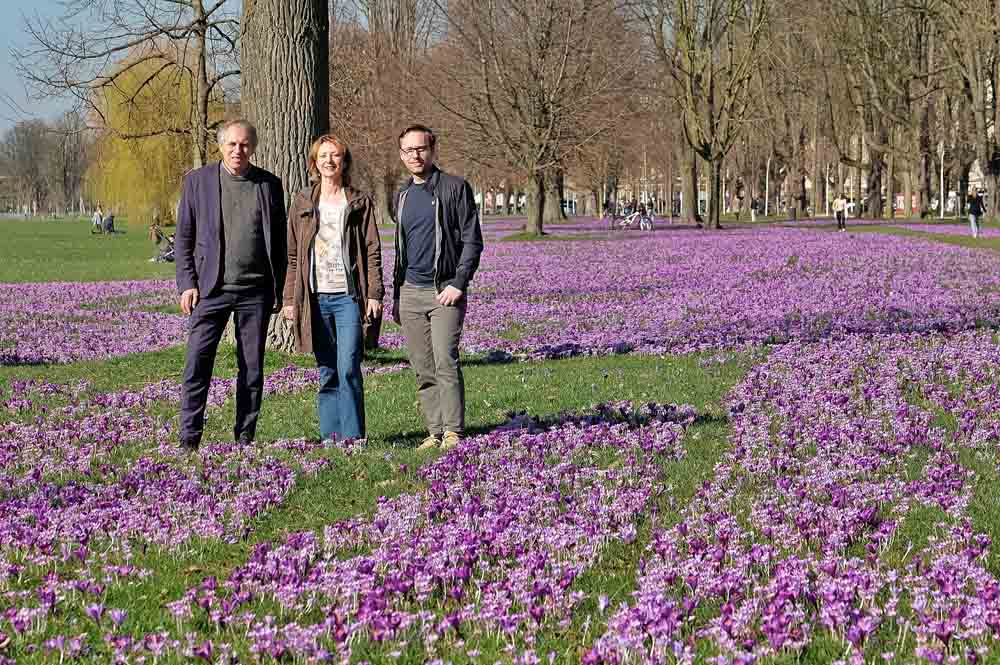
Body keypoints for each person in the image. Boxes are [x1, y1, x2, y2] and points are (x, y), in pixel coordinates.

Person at [174, 119, 287, 453]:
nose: (238, 150)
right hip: (211, 289)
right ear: (221, 146)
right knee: (197, 362)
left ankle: (245, 436)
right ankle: (189, 437)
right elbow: (184, 237)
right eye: (232, 145)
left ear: (253, 147)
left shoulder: (269, 185)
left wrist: (279, 289)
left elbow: (279, 242)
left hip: (256, 291)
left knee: (251, 367)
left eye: (244, 145)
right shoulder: (198, 182)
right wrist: (187, 283)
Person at [281, 134, 384, 442]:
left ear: (344, 161)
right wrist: (290, 299)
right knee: (327, 370)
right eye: (323, 156)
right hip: (315, 297)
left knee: (349, 365)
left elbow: (372, 250)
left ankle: (354, 437)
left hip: (348, 298)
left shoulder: (358, 201)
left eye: (335, 155)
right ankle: (331, 437)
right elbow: (293, 255)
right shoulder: (302, 202)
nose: (329, 160)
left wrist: (374, 293)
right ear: (315, 163)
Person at [392, 124, 484, 452]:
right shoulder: (401, 196)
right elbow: (402, 249)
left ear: (432, 150)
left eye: (421, 149)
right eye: (408, 150)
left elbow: (472, 240)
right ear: (401, 154)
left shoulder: (454, 188)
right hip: (410, 292)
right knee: (422, 366)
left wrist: (459, 283)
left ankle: (453, 432)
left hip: (444, 290)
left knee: (445, 360)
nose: (415, 155)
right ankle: (434, 431)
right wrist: (396, 294)